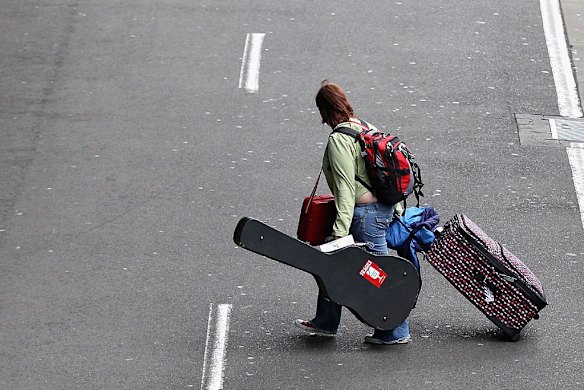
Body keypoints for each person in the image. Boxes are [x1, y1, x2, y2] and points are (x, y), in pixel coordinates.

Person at [294, 80, 411, 345]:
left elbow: (346, 189)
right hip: (381, 209)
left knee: (377, 276)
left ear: (324, 110)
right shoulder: (367, 127)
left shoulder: (339, 139)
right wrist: (397, 209)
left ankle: (396, 330)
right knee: (334, 266)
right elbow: (389, 171)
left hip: (364, 216)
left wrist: (338, 233)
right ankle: (326, 320)